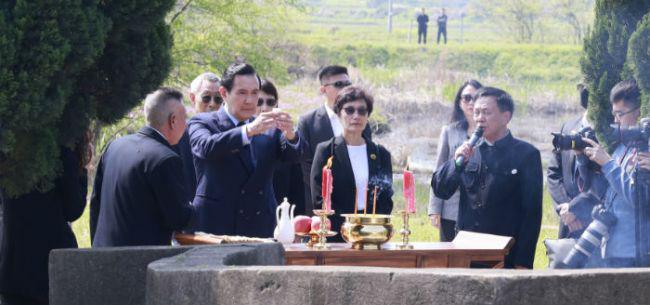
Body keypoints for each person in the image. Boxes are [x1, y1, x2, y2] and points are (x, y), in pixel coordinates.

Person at [432, 87, 543, 269]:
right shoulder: (468, 150)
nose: (479, 118)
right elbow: (441, 189)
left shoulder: (527, 154)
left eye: (486, 112)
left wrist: (522, 262)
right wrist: (456, 163)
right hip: (466, 251)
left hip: (505, 253)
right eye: (476, 112)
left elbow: (532, 214)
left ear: (506, 117)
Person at [189, 63, 302, 238]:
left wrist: (290, 134)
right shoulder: (202, 122)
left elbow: (296, 156)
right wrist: (248, 131)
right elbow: (206, 147)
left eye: (254, 93)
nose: (249, 100)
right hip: (215, 226)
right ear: (224, 93)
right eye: (242, 93)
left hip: (260, 225)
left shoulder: (269, 127)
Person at [90, 88, 195, 247]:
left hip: (104, 250)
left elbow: (95, 204)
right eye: (184, 119)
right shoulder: (165, 158)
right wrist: (196, 207)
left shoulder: (115, 146)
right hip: (139, 258)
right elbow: (178, 218)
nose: (186, 126)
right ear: (173, 120)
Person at [0, 137, 90, 305]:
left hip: (12, 264)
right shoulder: (61, 149)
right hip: (49, 264)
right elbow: (73, 210)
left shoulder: (10, 143)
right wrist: (82, 173)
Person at [311, 86, 393, 242]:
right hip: (336, 233)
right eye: (349, 110)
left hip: (372, 232)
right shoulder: (326, 151)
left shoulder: (381, 154)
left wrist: (372, 226)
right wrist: (346, 226)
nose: (356, 116)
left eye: (362, 111)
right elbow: (319, 197)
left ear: (368, 116)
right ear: (338, 113)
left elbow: (385, 198)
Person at [582, 79, 644, 267]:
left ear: (639, 113)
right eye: (614, 114)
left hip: (634, 251)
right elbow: (602, 192)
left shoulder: (645, 152)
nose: (616, 120)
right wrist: (583, 159)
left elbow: (638, 197)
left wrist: (608, 163)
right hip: (611, 245)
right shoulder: (621, 148)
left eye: (620, 114)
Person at [298, 65, 371, 215]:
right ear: (323, 90)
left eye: (347, 84)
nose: (344, 88)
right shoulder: (308, 121)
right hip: (324, 204)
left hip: (358, 205)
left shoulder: (360, 120)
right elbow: (306, 164)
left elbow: (365, 157)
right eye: (338, 84)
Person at [547, 84, 604, 239]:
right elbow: (553, 172)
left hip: (598, 220)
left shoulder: (610, 132)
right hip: (569, 223)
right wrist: (566, 209)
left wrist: (576, 208)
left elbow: (605, 180)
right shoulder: (569, 126)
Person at [428, 80, 482, 242]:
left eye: (476, 97)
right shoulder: (449, 131)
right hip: (451, 206)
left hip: (479, 208)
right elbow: (439, 171)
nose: (471, 102)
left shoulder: (491, 132)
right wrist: (434, 209)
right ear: (459, 103)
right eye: (466, 98)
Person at [256, 79, 306, 215]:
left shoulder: (283, 135)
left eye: (270, 102)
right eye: (259, 101)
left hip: (277, 215)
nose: (265, 107)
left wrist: (290, 133)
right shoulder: (238, 132)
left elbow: (296, 185)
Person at [173, 72, 222, 203]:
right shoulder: (177, 134)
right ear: (193, 98)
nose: (212, 104)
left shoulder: (228, 134)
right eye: (206, 98)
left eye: (218, 99)